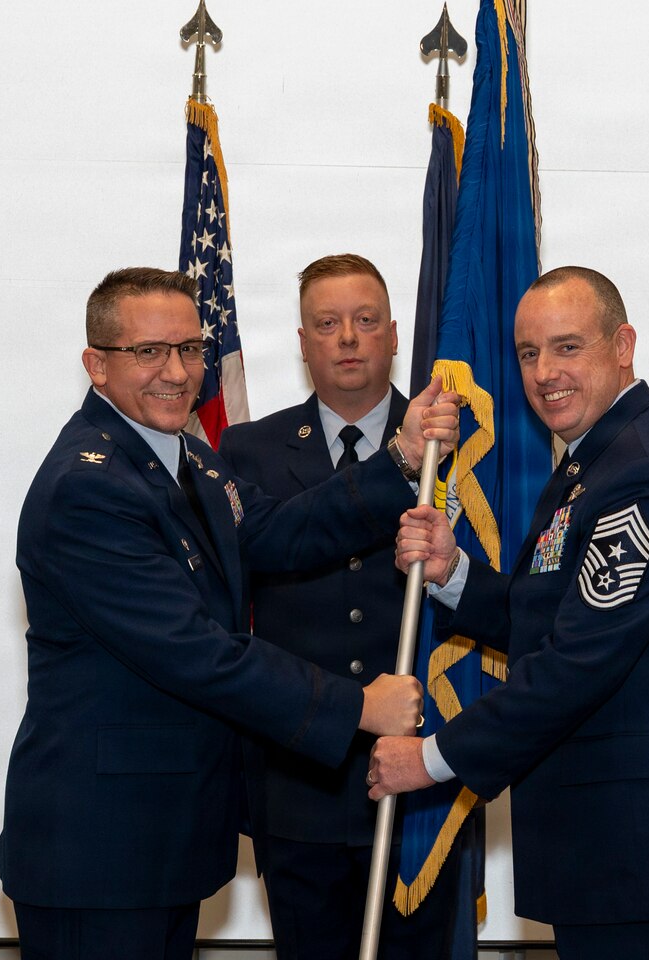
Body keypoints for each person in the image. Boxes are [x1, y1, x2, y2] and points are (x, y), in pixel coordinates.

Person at [0, 267, 459, 960]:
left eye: (189, 348)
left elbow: (282, 531)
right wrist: (359, 706)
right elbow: (196, 651)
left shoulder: (183, 459)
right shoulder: (88, 488)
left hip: (158, 841)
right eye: (148, 352)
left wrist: (402, 457)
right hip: (101, 849)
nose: (176, 372)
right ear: (97, 365)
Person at [368, 266, 649, 960]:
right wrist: (454, 575)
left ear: (624, 346)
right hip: (613, 849)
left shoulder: (644, 475)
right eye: (529, 353)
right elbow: (554, 615)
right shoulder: (594, 462)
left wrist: (430, 759)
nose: (545, 372)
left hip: (644, 854)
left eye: (568, 347)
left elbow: (576, 665)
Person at [219, 254, 472, 960]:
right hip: (301, 785)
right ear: (302, 344)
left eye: (365, 320)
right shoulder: (247, 450)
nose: (349, 338)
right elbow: (258, 567)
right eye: (327, 324)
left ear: (394, 334)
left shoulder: (458, 446)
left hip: (425, 777)